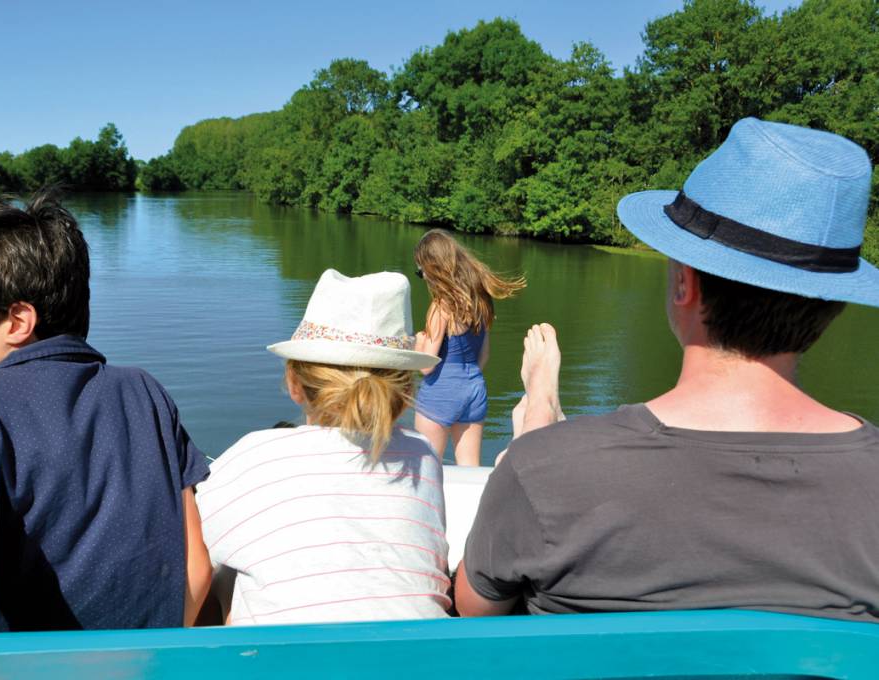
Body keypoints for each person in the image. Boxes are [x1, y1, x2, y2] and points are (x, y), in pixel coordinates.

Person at [455, 117, 879, 622]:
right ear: (833, 304)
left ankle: (540, 407)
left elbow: (475, 613)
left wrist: (533, 440)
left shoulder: (543, 468)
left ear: (684, 284)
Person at [0, 192, 212, 637]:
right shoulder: (144, 389)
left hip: (14, 664)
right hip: (144, 658)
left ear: (17, 322)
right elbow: (196, 569)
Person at [196, 269, 450, 625]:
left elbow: (191, 560)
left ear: (294, 382)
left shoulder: (254, 455)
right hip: (418, 653)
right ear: (405, 391)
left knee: (221, 575)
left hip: (283, 654)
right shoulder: (422, 456)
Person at [413, 230, 525, 466]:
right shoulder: (481, 301)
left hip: (441, 392)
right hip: (474, 389)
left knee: (427, 466)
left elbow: (426, 366)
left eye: (421, 271)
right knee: (470, 467)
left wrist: (419, 341)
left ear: (432, 267)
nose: (423, 277)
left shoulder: (441, 306)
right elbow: (483, 356)